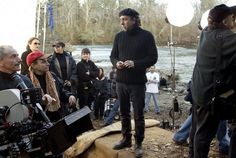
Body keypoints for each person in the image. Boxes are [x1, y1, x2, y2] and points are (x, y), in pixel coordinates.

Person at [189, 4, 236, 158]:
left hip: (199, 91)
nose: (233, 22)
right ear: (224, 22)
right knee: (203, 136)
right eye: (232, 19)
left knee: (197, 130)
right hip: (211, 96)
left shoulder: (206, 32)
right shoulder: (225, 38)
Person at [110, 8, 158, 158]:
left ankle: (138, 143)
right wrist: (116, 63)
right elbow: (113, 56)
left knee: (138, 114)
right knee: (124, 113)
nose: (122, 23)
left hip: (137, 82)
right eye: (121, 20)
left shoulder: (146, 36)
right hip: (120, 81)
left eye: (124, 19)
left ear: (133, 19)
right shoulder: (119, 36)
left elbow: (153, 58)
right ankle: (126, 139)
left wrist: (135, 63)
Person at [26, 50, 76, 122]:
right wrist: (42, 99)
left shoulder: (52, 75)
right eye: (43, 61)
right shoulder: (27, 81)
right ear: (33, 65)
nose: (48, 63)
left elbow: (61, 90)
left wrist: (69, 96)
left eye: (47, 61)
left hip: (58, 115)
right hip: (40, 120)